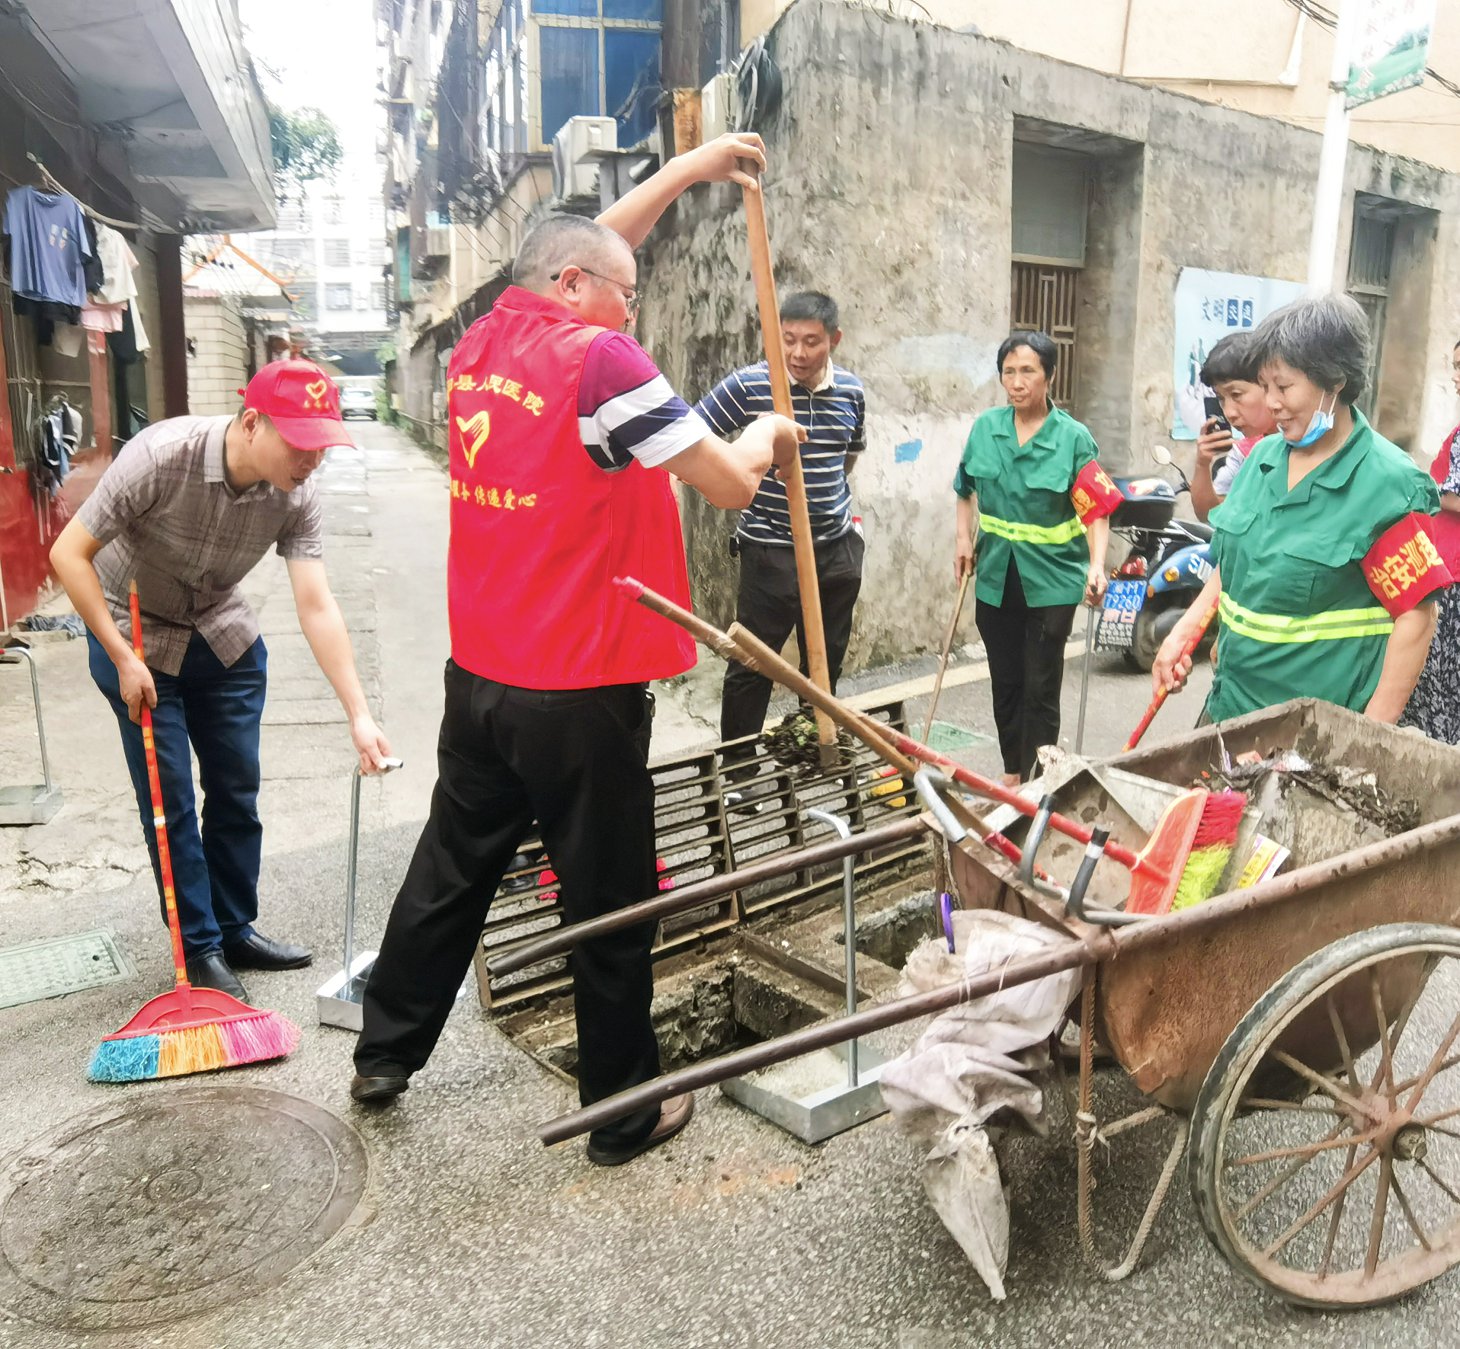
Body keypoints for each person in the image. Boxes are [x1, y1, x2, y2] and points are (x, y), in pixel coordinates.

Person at [351, 132, 804, 1168]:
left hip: (481, 677)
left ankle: (384, 1051)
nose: (633, 311)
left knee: (451, 867)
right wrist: (768, 437)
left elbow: (583, 244)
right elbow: (727, 483)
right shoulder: (600, 361)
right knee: (608, 896)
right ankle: (622, 1111)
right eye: (625, 296)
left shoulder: (481, 343)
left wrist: (688, 170)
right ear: (572, 288)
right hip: (580, 686)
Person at [50, 362, 391, 1000]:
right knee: (171, 800)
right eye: (301, 443)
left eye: (322, 445)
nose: (312, 460)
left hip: (221, 634)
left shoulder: (297, 494)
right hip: (134, 635)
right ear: (253, 423)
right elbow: (68, 554)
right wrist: (122, 657)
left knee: (236, 788)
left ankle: (234, 929)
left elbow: (316, 603)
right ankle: (199, 948)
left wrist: (359, 713)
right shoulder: (159, 457)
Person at [1154, 294, 1451, 724]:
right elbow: (1236, 562)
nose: (1271, 402)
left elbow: (1416, 616)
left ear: (1335, 381)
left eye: (1284, 387)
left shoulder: (1384, 484)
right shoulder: (1261, 459)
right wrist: (1185, 629)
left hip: (1311, 735)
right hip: (1229, 709)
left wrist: (1369, 736)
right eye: (1264, 386)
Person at [695, 290, 865, 793]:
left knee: (825, 658)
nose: (797, 353)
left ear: (834, 340)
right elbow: (693, 435)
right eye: (787, 340)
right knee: (753, 661)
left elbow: (848, 456)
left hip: (835, 546)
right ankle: (739, 772)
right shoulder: (750, 385)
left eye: (811, 341)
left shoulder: (851, 391)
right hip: (770, 549)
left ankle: (813, 742)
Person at [952, 332, 1122, 785]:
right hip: (995, 576)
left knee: (1040, 685)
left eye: (1027, 371)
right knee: (1005, 681)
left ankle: (1039, 780)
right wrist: (963, 539)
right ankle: (1013, 773)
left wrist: (1096, 565)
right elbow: (964, 488)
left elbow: (1097, 510)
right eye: (1008, 372)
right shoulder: (986, 429)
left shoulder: (1072, 439)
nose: (1017, 381)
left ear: (1049, 376)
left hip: (1052, 581)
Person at [1401, 338, 1460, 742]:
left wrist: (1423, 489)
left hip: (1452, 578)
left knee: (1441, 681)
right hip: (1443, 567)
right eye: (1455, 366)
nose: (1456, 377)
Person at [1189, 332, 1280, 523]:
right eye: (1221, 398)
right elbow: (1210, 515)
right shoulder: (1244, 453)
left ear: (1269, 385)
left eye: (1236, 394)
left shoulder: (1306, 443)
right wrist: (1202, 465)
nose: (1229, 412)